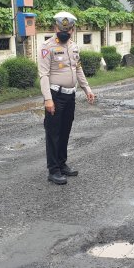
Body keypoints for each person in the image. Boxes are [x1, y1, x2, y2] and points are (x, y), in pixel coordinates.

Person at [37, 11, 96, 185]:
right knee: (53, 133)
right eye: (62, 28)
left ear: (73, 29)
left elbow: (78, 69)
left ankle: (62, 164)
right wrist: (48, 99)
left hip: (70, 96)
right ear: (55, 28)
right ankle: (53, 170)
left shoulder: (74, 47)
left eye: (69, 29)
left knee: (65, 131)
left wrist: (87, 88)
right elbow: (44, 75)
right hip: (55, 95)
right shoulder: (47, 47)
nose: (65, 32)